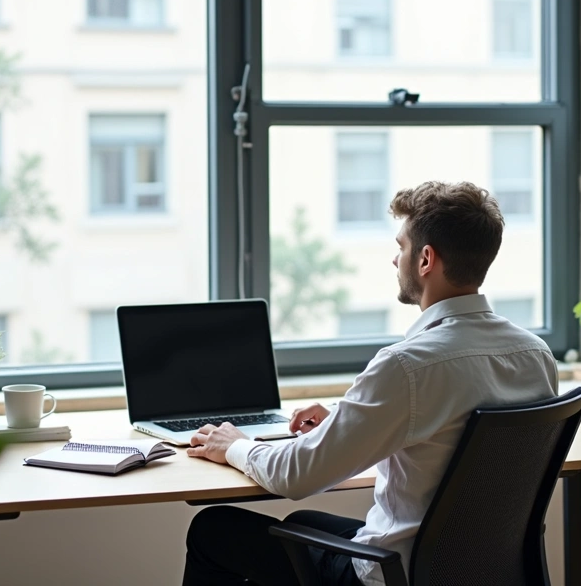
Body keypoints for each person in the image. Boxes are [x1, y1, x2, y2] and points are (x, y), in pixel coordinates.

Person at [181, 181, 559, 586]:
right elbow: (448, 446)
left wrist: (235, 446)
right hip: (483, 571)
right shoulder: (535, 355)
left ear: (426, 259)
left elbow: (295, 476)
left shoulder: (406, 366)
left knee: (211, 528)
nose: (395, 259)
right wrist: (347, 421)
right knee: (301, 523)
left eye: (401, 247)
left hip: (396, 575)